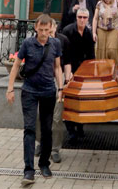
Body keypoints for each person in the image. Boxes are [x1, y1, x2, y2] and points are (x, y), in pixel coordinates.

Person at [6, 13, 63, 185]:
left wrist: (61, 88)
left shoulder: (56, 44)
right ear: (36, 28)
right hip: (29, 91)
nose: (44, 33)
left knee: (47, 129)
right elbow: (16, 65)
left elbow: (58, 67)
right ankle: (28, 170)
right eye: (41, 29)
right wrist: (10, 89)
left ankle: (44, 164)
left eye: (47, 29)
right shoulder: (27, 44)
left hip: (48, 91)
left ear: (51, 28)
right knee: (29, 129)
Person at [34, 19, 72, 164]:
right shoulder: (37, 40)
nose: (47, 33)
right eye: (44, 30)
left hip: (58, 80)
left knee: (56, 117)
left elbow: (67, 62)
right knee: (39, 115)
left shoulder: (63, 41)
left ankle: (55, 149)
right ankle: (41, 143)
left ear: (55, 28)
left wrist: (66, 80)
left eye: (50, 30)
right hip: (41, 79)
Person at [62, 7, 95, 144]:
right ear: (76, 17)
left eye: (84, 18)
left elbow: (91, 54)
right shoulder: (67, 31)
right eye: (80, 17)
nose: (82, 20)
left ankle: (80, 127)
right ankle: (71, 131)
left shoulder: (88, 33)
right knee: (69, 102)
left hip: (83, 71)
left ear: (88, 19)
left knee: (82, 101)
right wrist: (67, 74)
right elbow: (64, 54)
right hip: (69, 69)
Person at [92, 0, 118, 65]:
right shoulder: (99, 4)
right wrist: (94, 32)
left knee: (112, 50)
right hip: (101, 29)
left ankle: (115, 69)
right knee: (101, 51)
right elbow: (95, 18)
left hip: (114, 29)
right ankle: (102, 70)